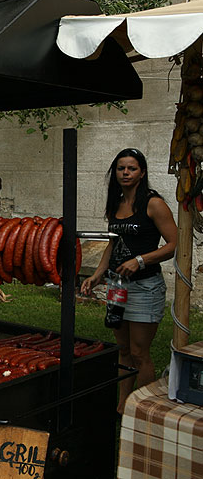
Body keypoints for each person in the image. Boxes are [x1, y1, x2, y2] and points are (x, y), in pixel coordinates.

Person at [80, 148, 177, 414]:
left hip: (145, 286)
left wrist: (140, 260)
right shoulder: (116, 203)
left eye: (131, 168)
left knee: (139, 351)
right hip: (117, 286)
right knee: (122, 348)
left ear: (142, 172)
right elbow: (113, 244)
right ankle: (123, 404)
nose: (125, 173)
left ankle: (145, 410)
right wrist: (99, 273)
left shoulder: (153, 203)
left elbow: (174, 245)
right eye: (121, 168)